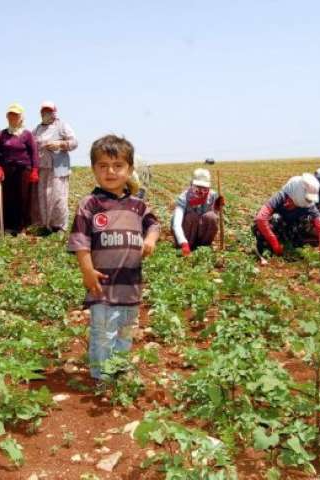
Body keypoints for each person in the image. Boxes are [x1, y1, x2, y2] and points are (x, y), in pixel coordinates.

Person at [67, 135, 160, 381]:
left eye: (118, 166)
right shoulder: (90, 204)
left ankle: (118, 369)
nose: (110, 171)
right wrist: (87, 271)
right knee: (103, 332)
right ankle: (101, 376)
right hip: (103, 284)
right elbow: (80, 241)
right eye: (103, 166)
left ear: (129, 169)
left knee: (125, 331)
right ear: (93, 169)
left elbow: (154, 225)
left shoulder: (137, 205)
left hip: (130, 285)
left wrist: (150, 239)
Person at [0, 103, 39, 235]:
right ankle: (5, 227)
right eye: (10, 115)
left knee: (23, 199)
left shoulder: (27, 135)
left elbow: (34, 153)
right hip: (6, 171)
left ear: (21, 117)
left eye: (15, 115)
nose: (13, 118)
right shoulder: (1, 135)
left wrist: (34, 170)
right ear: (7, 117)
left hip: (23, 171)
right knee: (6, 199)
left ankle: (22, 227)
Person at [254, 173, 320, 256]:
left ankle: (292, 242)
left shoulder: (309, 205)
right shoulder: (281, 196)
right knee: (275, 218)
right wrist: (274, 242)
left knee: (306, 219)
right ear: (299, 191)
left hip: (290, 230)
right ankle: (268, 247)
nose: (309, 201)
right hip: (275, 230)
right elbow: (261, 218)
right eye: (307, 198)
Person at [32, 101, 78, 234]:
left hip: (58, 168)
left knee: (58, 197)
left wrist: (60, 144)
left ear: (54, 112)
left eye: (49, 110)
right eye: (44, 111)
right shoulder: (37, 129)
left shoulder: (62, 126)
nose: (46, 113)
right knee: (42, 197)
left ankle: (59, 226)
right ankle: (45, 225)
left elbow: (75, 143)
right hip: (42, 167)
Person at [171, 168, 225, 256]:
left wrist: (217, 208)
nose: (200, 190)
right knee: (192, 216)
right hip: (186, 232)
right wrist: (183, 243)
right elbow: (176, 224)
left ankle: (204, 246)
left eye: (204, 188)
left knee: (212, 217)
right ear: (191, 184)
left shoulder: (213, 196)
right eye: (197, 187)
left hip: (200, 231)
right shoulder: (184, 198)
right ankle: (188, 246)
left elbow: (213, 219)